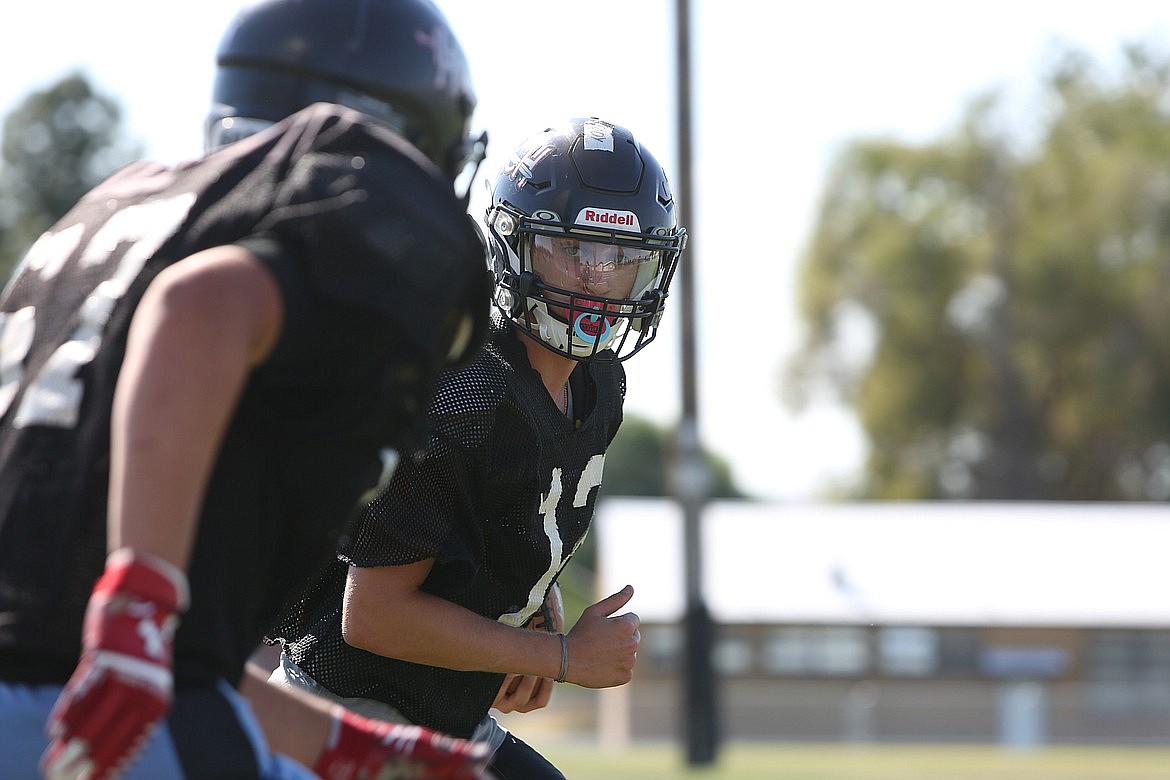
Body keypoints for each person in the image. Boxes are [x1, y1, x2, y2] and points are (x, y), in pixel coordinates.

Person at [0, 0, 498, 777]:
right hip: (87, 718)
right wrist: (137, 606)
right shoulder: (351, 192)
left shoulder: (117, 206)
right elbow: (197, 306)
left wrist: (343, 742)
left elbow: (162, 644)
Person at [267, 117, 688, 778]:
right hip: (347, 711)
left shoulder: (601, 383)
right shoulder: (466, 392)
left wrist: (532, 608)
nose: (594, 279)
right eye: (569, 249)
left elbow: (501, 522)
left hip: (447, 717)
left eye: (616, 256)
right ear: (514, 247)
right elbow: (371, 617)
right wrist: (561, 658)